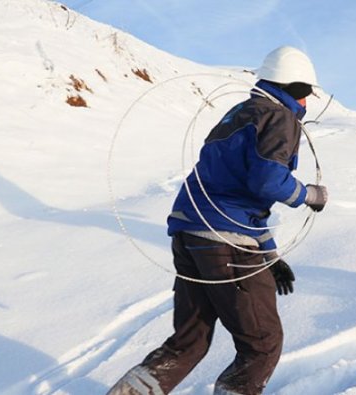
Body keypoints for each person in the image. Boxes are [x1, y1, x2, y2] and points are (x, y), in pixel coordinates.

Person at [107, 46, 328, 395]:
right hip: (227, 241)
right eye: (306, 95)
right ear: (296, 89)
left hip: (189, 234)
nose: (306, 105)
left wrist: (270, 256)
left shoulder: (239, 113)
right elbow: (266, 181)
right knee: (262, 344)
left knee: (188, 342)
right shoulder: (278, 117)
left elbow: (242, 195)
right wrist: (310, 196)